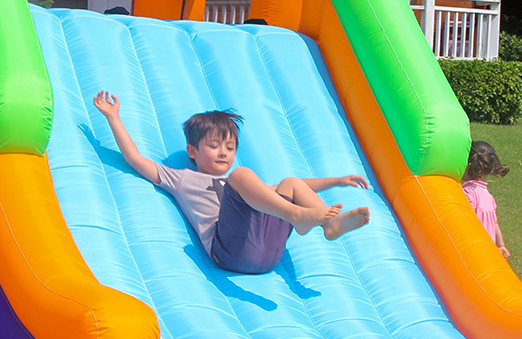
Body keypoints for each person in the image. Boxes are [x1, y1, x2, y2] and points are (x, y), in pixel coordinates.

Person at [92, 91, 371, 275]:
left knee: (290, 182)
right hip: (230, 252)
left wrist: (338, 180)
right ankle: (298, 216)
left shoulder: (244, 186)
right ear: (192, 151)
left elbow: (294, 187)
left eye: (230, 147)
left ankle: (330, 225)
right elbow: (135, 159)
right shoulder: (182, 177)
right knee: (241, 176)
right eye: (214, 146)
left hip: (268, 254)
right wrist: (113, 117)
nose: (224, 153)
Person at [461, 140, 510, 258]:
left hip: (474, 251)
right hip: (488, 252)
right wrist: (500, 245)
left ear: (467, 166)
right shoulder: (488, 195)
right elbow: (495, 223)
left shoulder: (468, 192)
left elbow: (468, 220)